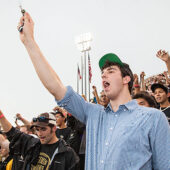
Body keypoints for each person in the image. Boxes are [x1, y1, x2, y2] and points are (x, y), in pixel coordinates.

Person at [18, 12, 170, 170]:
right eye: (102, 73)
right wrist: (29, 42)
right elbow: (56, 88)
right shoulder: (93, 114)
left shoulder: (153, 118)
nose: (104, 74)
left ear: (126, 79)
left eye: (110, 71)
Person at [0, 111, 79, 170]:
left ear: (54, 128)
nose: (40, 134)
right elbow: (12, 133)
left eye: (43, 129)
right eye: (37, 130)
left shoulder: (67, 153)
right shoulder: (32, 144)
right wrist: (1, 115)